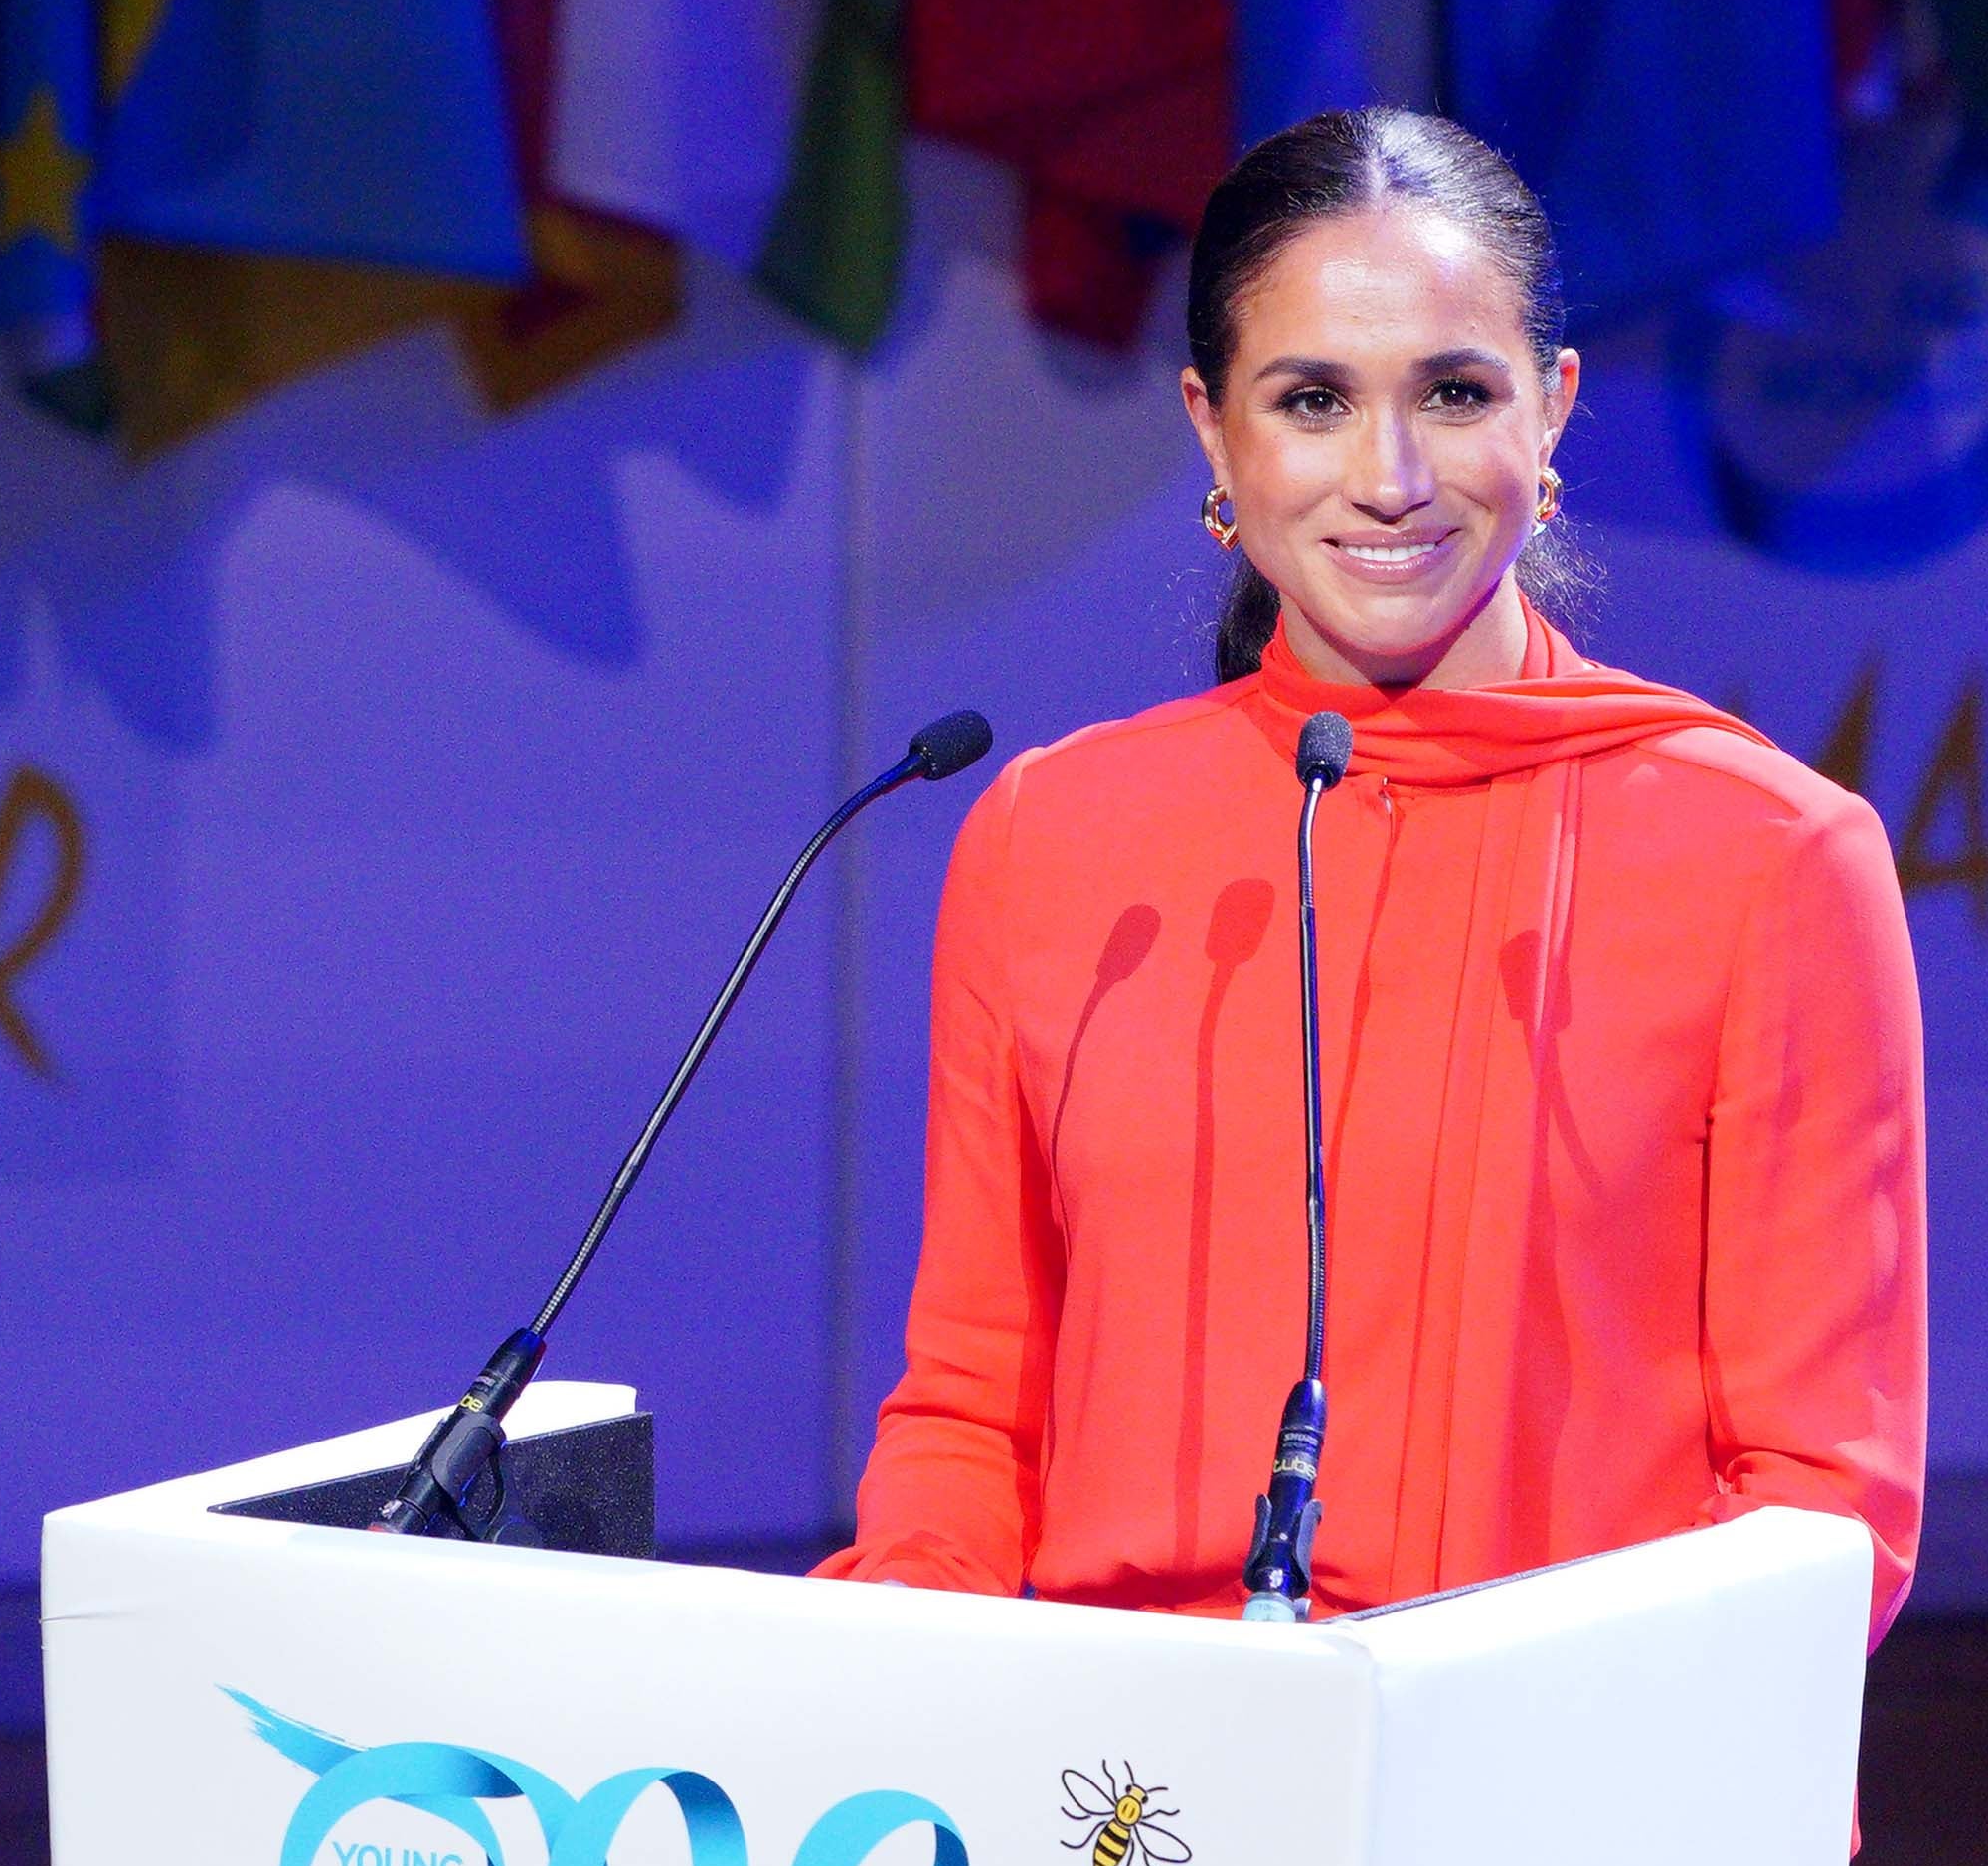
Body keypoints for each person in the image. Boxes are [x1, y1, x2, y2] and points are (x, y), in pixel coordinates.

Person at [820, 109, 1925, 1634]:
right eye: (1314, 399)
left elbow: (1824, 1497)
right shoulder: (1052, 838)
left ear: (1553, 408)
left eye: (1455, 392)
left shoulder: (1772, 860)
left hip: (1562, 1798)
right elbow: (967, 1410)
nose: (1388, 474)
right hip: (1127, 1806)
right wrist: (875, 1692)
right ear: (1215, 428)